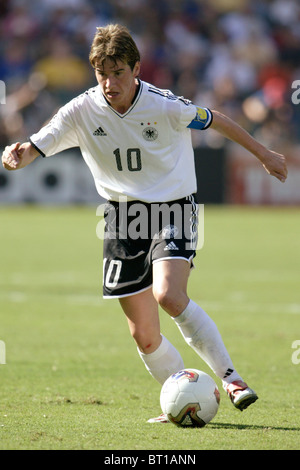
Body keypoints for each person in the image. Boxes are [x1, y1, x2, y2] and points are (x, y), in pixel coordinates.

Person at [2, 24, 287, 423]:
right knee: (144, 335)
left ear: (136, 69)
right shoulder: (81, 110)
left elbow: (215, 119)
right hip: (121, 218)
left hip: (171, 207)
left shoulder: (164, 105)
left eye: (118, 72)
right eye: (102, 73)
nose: (109, 82)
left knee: (169, 294)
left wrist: (263, 154)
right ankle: (182, 397)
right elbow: (38, 144)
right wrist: (18, 154)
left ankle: (231, 378)